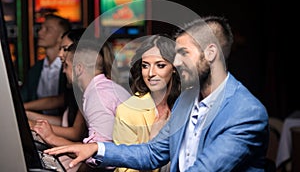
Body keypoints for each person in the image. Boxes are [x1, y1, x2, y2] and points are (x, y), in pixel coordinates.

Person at [45, 16, 269, 171]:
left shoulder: (245, 113)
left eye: (183, 53)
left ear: (210, 53)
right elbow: (152, 153)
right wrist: (96, 148)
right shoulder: (187, 101)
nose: (177, 61)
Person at [58, 38, 131, 171]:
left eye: (66, 66)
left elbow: (100, 157)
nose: (63, 71)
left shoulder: (98, 95)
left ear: (79, 68)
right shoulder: (100, 89)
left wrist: (50, 138)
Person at [113, 35, 181, 172]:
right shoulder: (127, 110)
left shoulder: (189, 102)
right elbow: (125, 168)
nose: (150, 73)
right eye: (145, 66)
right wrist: (152, 142)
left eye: (160, 65)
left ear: (175, 67)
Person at [29, 28, 88, 144]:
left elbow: (76, 133)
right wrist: (27, 114)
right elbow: (64, 120)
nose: (60, 54)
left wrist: (33, 125)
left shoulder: (89, 88)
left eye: (65, 49)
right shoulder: (76, 86)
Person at [21, 14, 71, 120]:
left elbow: (64, 99)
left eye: (47, 29)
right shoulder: (36, 68)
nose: (40, 32)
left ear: (61, 36)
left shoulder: (69, 67)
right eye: (41, 28)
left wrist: (23, 108)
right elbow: (24, 97)